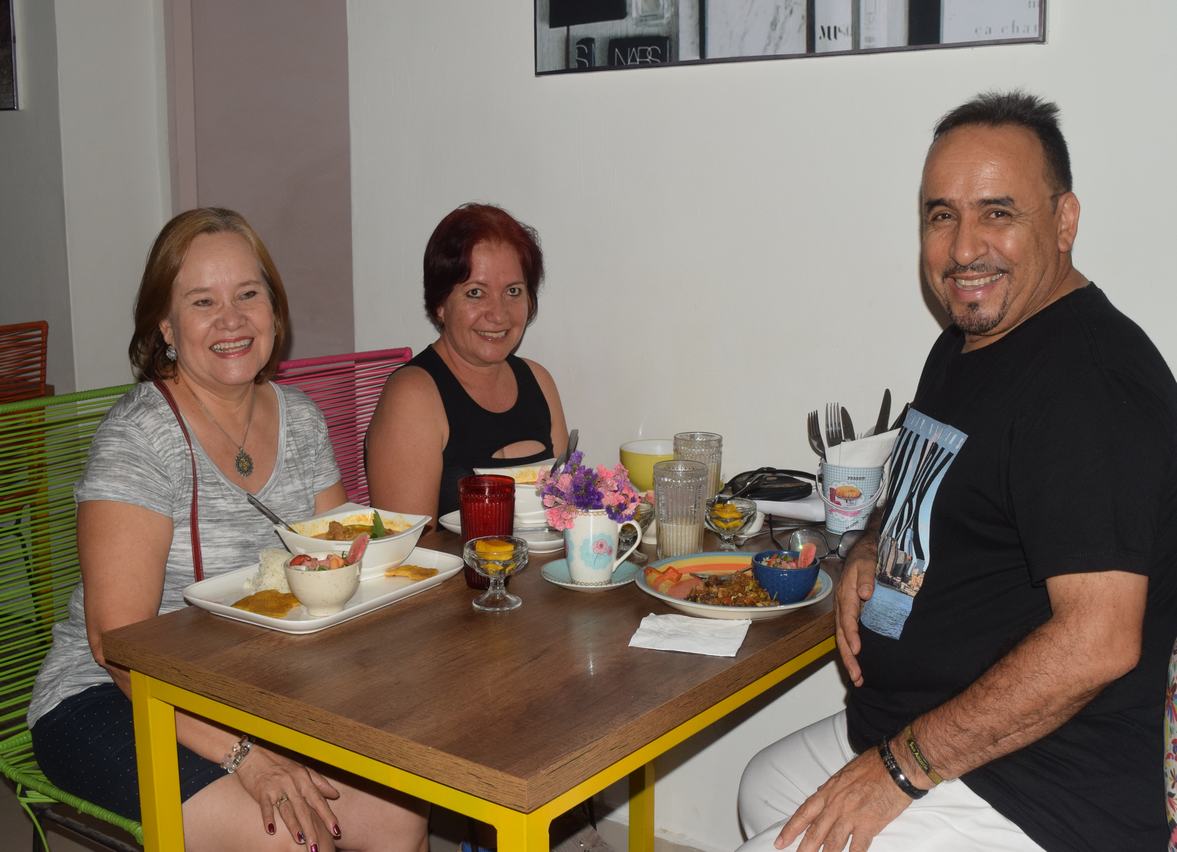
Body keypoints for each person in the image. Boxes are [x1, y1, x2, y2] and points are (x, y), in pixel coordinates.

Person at [737, 92, 1176, 851]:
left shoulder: (1089, 384)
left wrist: (900, 769)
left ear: (1064, 221)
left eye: (997, 212)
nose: (962, 248)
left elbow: (1100, 640)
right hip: (921, 722)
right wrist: (873, 545)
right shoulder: (968, 341)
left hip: (1039, 785)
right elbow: (926, 483)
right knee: (761, 789)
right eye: (941, 216)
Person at [28, 208, 428, 852]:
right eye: (202, 301)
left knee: (397, 818)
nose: (232, 319)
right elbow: (116, 646)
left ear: (274, 308)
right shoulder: (137, 440)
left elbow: (341, 572)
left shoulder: (300, 421)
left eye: (248, 294)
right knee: (291, 841)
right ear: (165, 325)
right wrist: (249, 757)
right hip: (106, 697)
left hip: (251, 686)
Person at [366, 202, 569, 522]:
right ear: (440, 305)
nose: (498, 313)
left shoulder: (538, 380)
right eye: (476, 293)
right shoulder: (414, 395)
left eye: (513, 291)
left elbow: (563, 515)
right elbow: (409, 551)